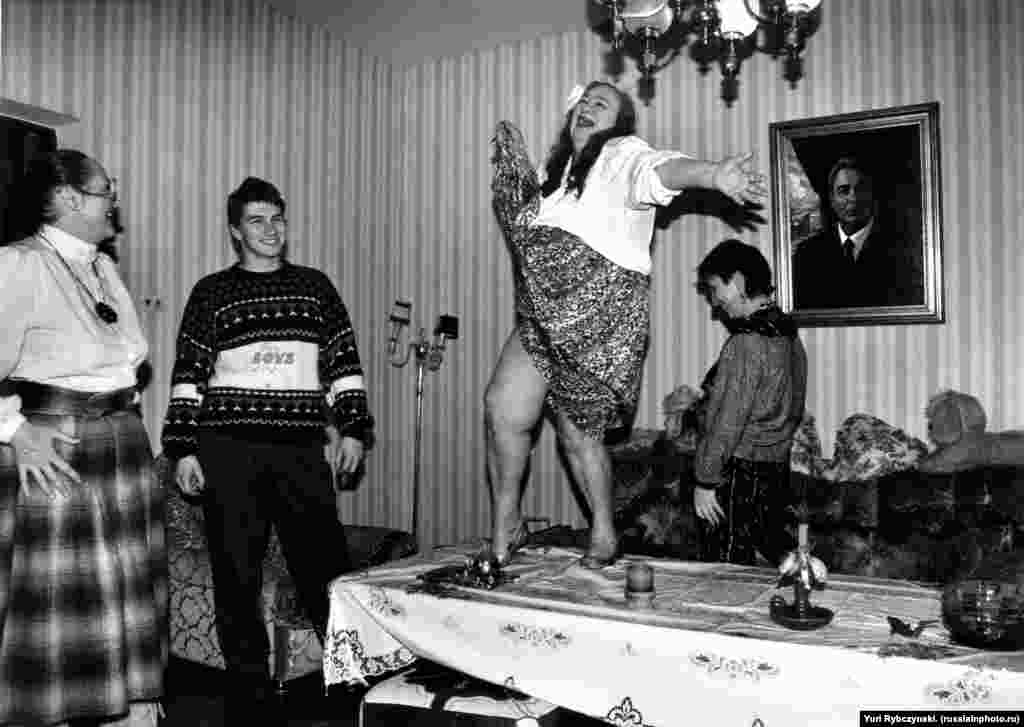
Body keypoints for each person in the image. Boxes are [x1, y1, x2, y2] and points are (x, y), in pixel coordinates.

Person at [488, 80, 768, 568]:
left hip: (598, 320)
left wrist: (712, 174)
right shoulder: (547, 175)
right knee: (502, 408)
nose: (589, 107)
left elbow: (661, 170)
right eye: (585, 100)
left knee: (578, 437)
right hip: (540, 313)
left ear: (617, 125)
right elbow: (526, 232)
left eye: (603, 104)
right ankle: (506, 521)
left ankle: (603, 531)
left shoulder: (621, 155)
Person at [160, 176, 373, 717]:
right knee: (236, 576)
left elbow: (343, 363)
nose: (270, 229)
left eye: (277, 218)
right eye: (257, 220)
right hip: (227, 449)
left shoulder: (315, 287)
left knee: (326, 569)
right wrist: (183, 447)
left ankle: (351, 683)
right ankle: (249, 697)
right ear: (236, 230)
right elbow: (188, 374)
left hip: (299, 449)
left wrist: (352, 428)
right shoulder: (211, 292)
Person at [0, 150, 165, 726]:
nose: (113, 197)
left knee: (122, 588)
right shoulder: (18, 263)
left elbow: (123, 362)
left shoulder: (99, 265)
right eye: (105, 189)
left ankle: (125, 708)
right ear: (70, 198)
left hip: (119, 441)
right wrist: (14, 430)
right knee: (66, 604)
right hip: (60, 446)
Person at [692, 239, 807, 566]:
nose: (715, 302)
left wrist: (705, 479)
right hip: (775, 470)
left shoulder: (744, 343)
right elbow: (795, 410)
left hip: (736, 475)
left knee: (725, 568)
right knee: (769, 566)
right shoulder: (789, 335)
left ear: (739, 282)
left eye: (716, 289)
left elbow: (726, 422)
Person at [792, 156, 923, 309]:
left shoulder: (902, 250)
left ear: (872, 195)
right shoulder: (807, 255)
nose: (853, 198)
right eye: (843, 191)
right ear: (832, 200)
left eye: (860, 189)